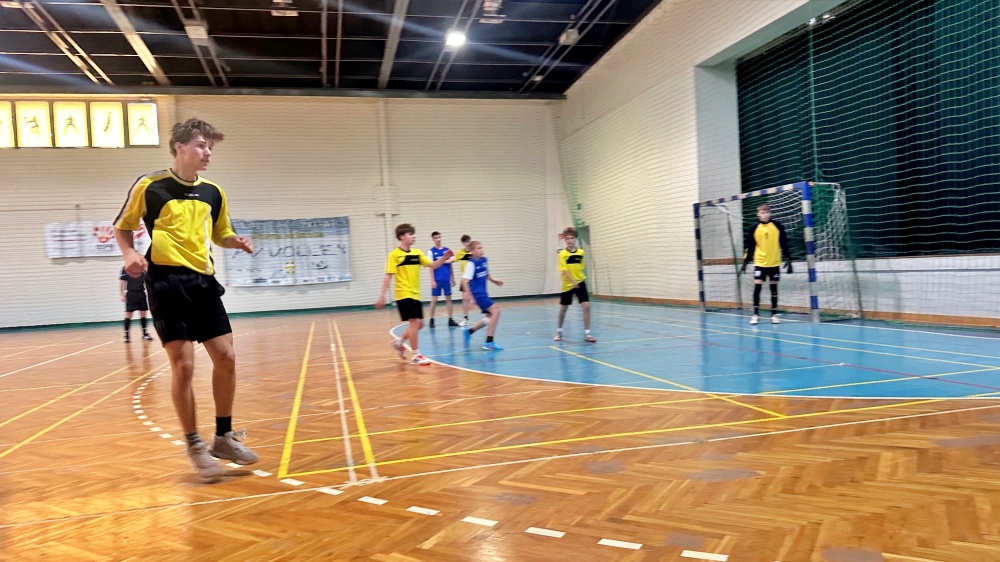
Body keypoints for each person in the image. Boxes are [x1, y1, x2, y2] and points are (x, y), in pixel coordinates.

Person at [113, 118, 258, 483]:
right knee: (184, 367)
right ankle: (194, 444)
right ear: (179, 147)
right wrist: (129, 253)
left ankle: (223, 437)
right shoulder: (150, 186)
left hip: (203, 282)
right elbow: (123, 226)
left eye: (210, 147)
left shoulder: (214, 192)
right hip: (166, 281)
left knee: (226, 358)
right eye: (201, 145)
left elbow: (221, 233)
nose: (207, 152)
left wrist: (235, 241)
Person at [375, 224, 453, 365]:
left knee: (419, 324)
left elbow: (433, 265)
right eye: (410, 234)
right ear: (402, 237)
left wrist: (443, 258)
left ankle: (399, 342)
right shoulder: (394, 255)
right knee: (414, 322)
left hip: (415, 293)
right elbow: (388, 275)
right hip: (403, 293)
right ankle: (416, 355)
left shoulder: (417, 253)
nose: (414, 236)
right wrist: (382, 295)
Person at [740, 203, 792, 325]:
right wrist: (745, 261)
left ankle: (774, 314)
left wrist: (789, 259)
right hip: (760, 262)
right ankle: (755, 315)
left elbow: (784, 243)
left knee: (774, 288)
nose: (764, 215)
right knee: (757, 287)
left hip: (774, 262)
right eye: (762, 213)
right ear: (758, 214)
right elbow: (750, 246)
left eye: (766, 212)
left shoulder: (777, 226)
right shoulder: (754, 228)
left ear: (770, 213)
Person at [554, 227, 596, 343]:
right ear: (565, 240)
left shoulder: (581, 252)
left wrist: (578, 280)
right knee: (563, 308)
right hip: (568, 284)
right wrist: (573, 282)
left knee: (586, 306)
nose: (570, 240)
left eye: (572, 238)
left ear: (575, 239)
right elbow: (564, 270)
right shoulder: (562, 254)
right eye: (567, 238)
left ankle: (587, 333)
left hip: (580, 282)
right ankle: (559, 331)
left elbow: (581, 267)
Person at [462, 241, 505, 351]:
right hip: (477, 294)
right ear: (472, 251)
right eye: (478, 248)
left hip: (483, 292)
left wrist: (494, 281)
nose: (481, 250)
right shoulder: (471, 264)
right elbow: (464, 281)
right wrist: (471, 298)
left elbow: (486, 274)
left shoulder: (484, 260)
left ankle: (470, 331)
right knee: (496, 311)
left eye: (481, 247)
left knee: (490, 317)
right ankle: (489, 342)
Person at [426, 231, 459, 328]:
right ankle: (431, 319)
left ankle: (450, 319)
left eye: (439, 237)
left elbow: (450, 264)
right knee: (434, 299)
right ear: (433, 239)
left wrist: (452, 278)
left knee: (449, 298)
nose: (438, 239)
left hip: (446, 279)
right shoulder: (431, 252)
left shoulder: (447, 250)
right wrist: (432, 280)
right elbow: (431, 267)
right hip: (437, 279)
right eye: (436, 238)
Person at [120, 267, 153, 343]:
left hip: (141, 293)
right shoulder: (126, 268)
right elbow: (122, 282)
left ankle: (144, 334)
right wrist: (122, 294)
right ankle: (126, 336)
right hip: (131, 293)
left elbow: (148, 281)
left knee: (143, 313)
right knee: (128, 314)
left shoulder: (142, 268)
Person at [452, 234, 474, 327]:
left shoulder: (473, 252)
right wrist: (443, 260)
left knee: (475, 298)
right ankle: (466, 318)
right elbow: (453, 259)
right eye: (465, 242)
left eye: (468, 241)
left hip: (473, 279)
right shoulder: (460, 253)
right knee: (465, 299)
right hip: (464, 279)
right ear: (463, 243)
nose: (467, 243)